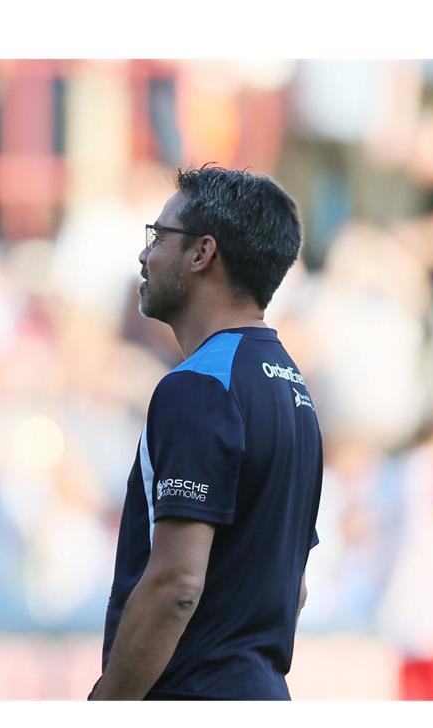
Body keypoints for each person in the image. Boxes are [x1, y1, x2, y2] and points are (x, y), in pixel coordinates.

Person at [90, 166, 322, 700]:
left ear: (202, 254)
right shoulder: (293, 389)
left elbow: (177, 584)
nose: (145, 256)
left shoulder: (199, 386)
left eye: (158, 236)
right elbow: (295, 586)